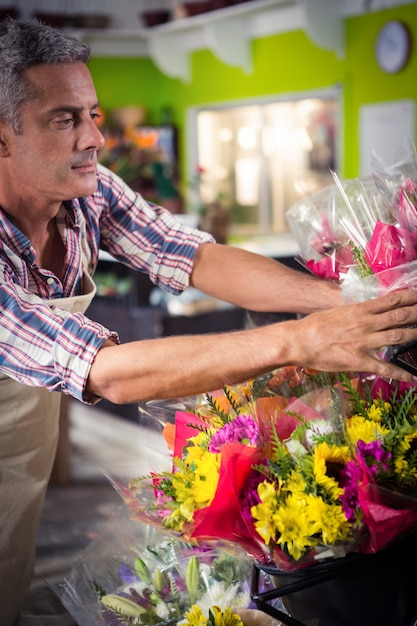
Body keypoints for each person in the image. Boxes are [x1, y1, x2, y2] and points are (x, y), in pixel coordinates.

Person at [1, 17, 417, 625]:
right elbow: (105, 371)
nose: (94, 136)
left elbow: (190, 254)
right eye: (64, 119)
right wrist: (299, 339)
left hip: (22, 434)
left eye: (93, 113)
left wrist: (351, 300)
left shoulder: (84, 192)